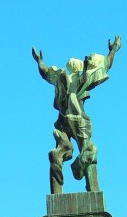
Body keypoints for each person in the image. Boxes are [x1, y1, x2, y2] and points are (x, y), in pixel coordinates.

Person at [32, 36, 121, 194]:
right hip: (76, 121)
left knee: (60, 153)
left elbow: (45, 73)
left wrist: (39, 61)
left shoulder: (62, 77)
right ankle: (83, 184)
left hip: (65, 121)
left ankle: (75, 185)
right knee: (85, 151)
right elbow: (106, 66)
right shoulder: (79, 77)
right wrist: (112, 51)